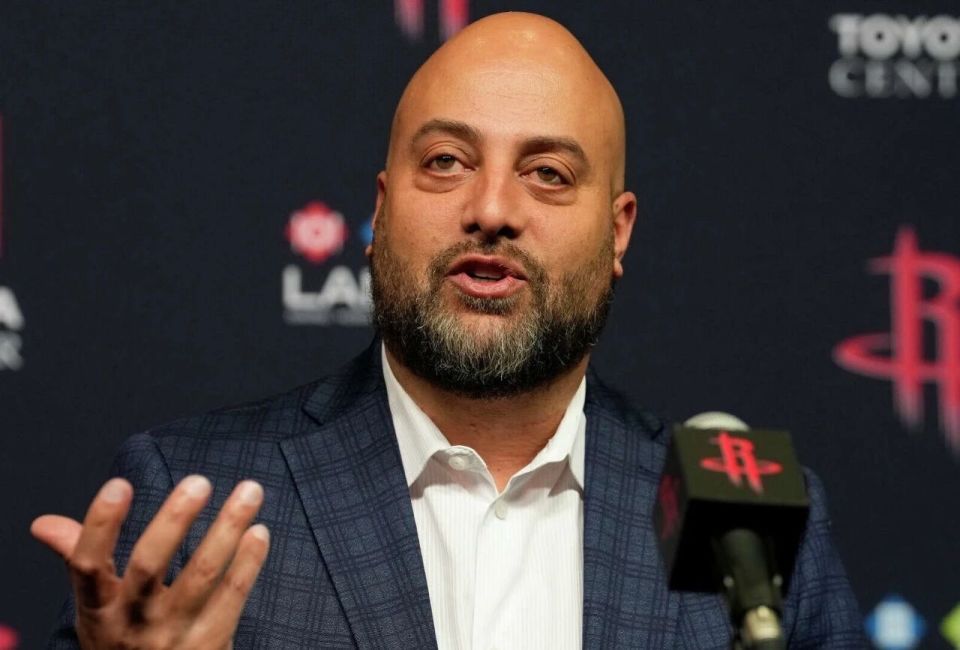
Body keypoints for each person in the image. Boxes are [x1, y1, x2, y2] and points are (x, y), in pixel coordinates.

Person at [32, 12, 866, 649]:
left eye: (548, 173)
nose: (492, 209)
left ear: (618, 233)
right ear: (382, 208)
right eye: (446, 162)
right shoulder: (194, 499)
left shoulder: (748, 531)